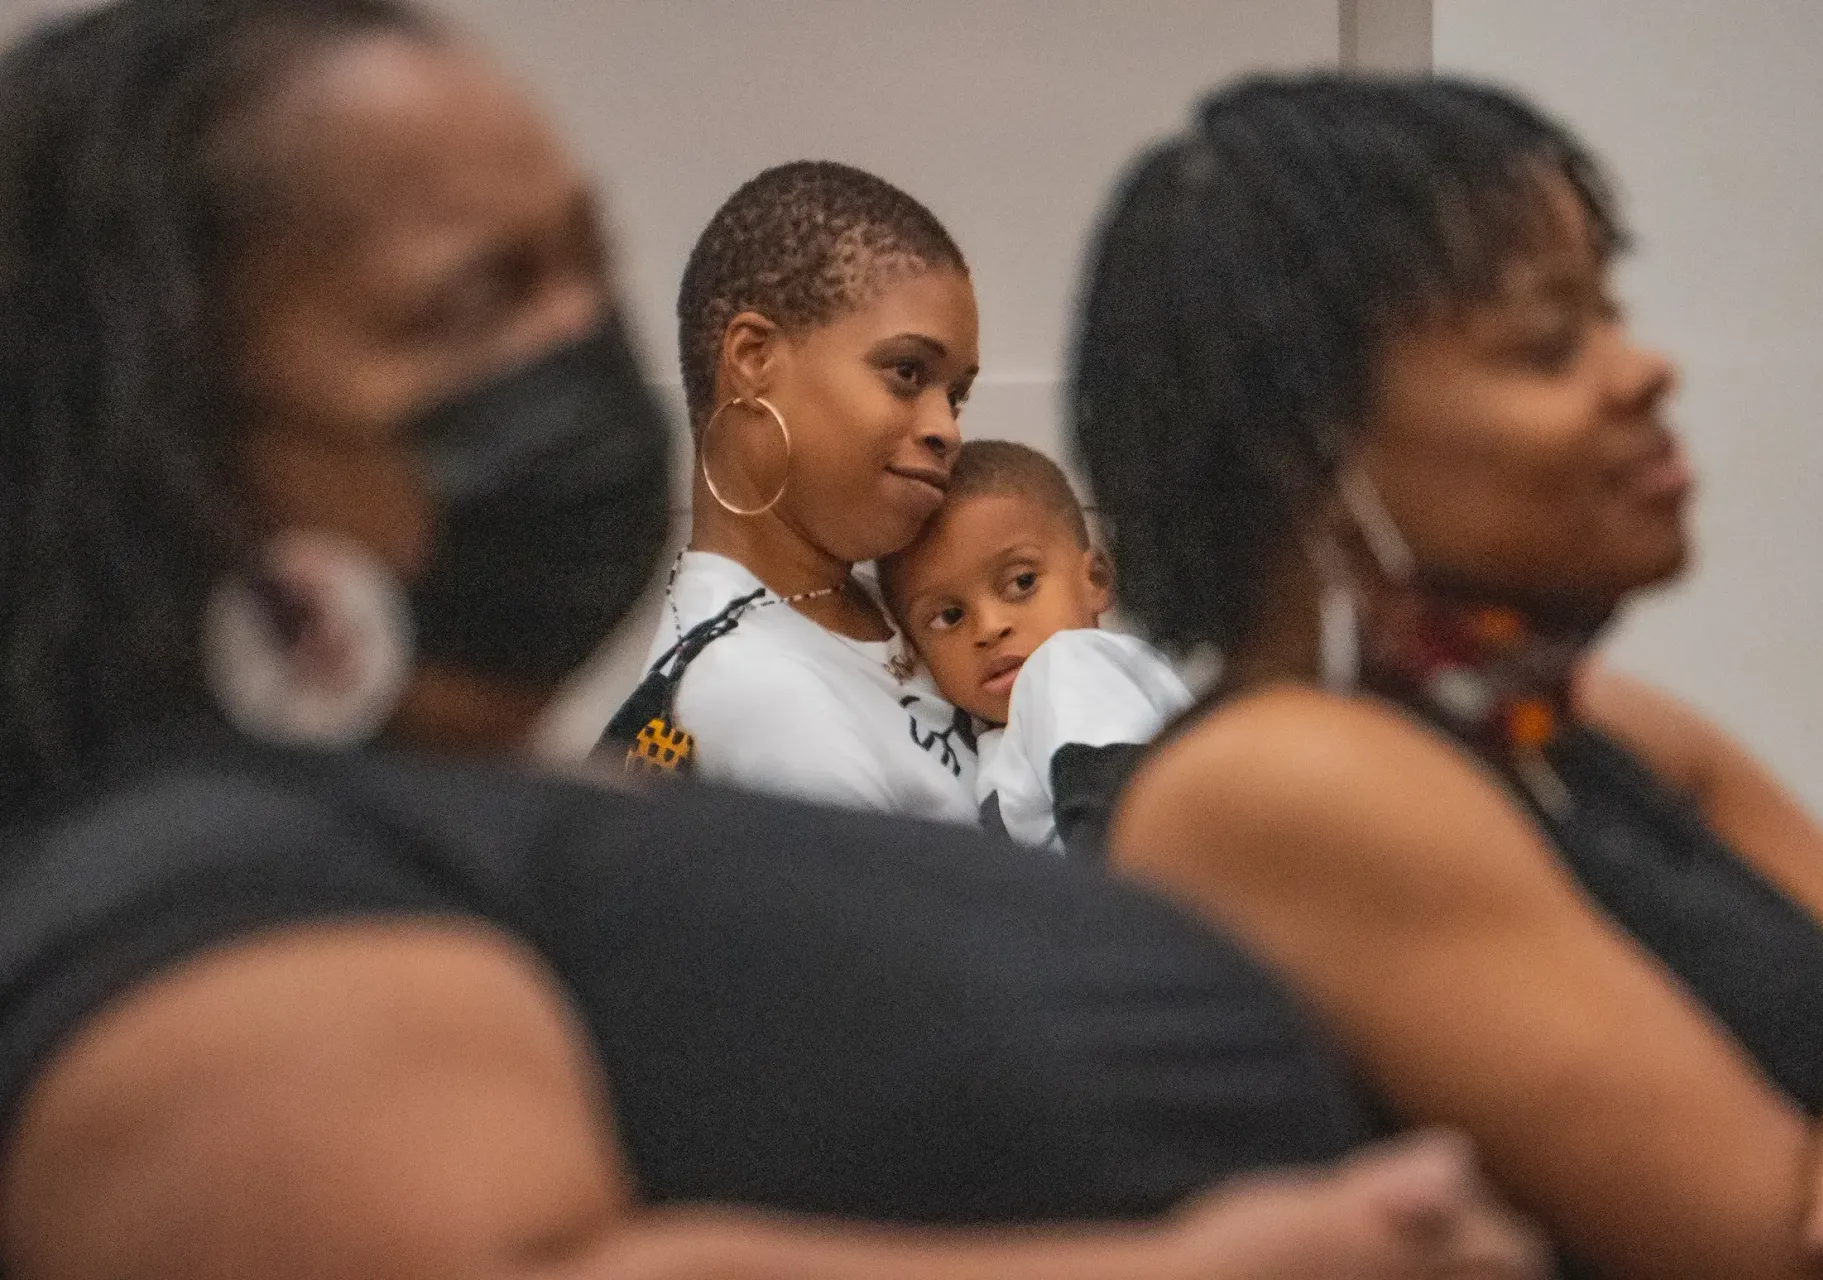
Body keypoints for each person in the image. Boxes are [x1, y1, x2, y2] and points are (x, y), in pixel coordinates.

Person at [0, 5, 1552, 1279]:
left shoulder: (480, 813)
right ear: (172, 423)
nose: (580, 351)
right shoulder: (197, 874)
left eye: (579, 271)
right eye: (479, 297)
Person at [1073, 72, 1823, 1279]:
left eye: (1610, 310)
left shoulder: (1589, 725)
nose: (1642, 369)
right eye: (1547, 341)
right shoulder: (1282, 782)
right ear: (1308, 448)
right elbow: (1808, 1251)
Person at [600, 161, 981, 821]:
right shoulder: (755, 691)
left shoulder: (884, 603)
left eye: (957, 394)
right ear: (754, 360)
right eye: (907, 372)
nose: (946, 427)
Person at [878, 439, 1191, 852]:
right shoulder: (997, 731)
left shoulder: (1071, 667)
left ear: (1095, 579)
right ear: (916, 651)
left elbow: (1120, 836)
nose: (989, 628)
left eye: (1022, 582)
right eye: (949, 616)